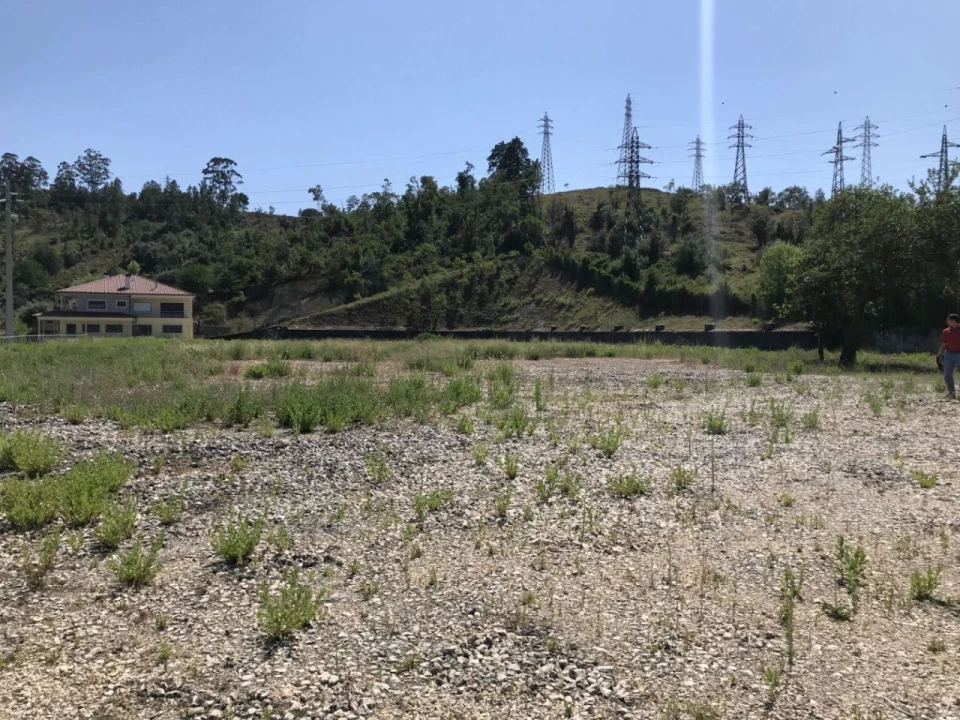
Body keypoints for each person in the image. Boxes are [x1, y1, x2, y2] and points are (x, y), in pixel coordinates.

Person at [938, 313, 960, 398]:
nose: (946, 321)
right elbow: (943, 344)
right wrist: (940, 355)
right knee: (947, 374)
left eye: (948, 320)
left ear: (953, 321)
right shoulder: (946, 331)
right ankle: (951, 393)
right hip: (949, 354)